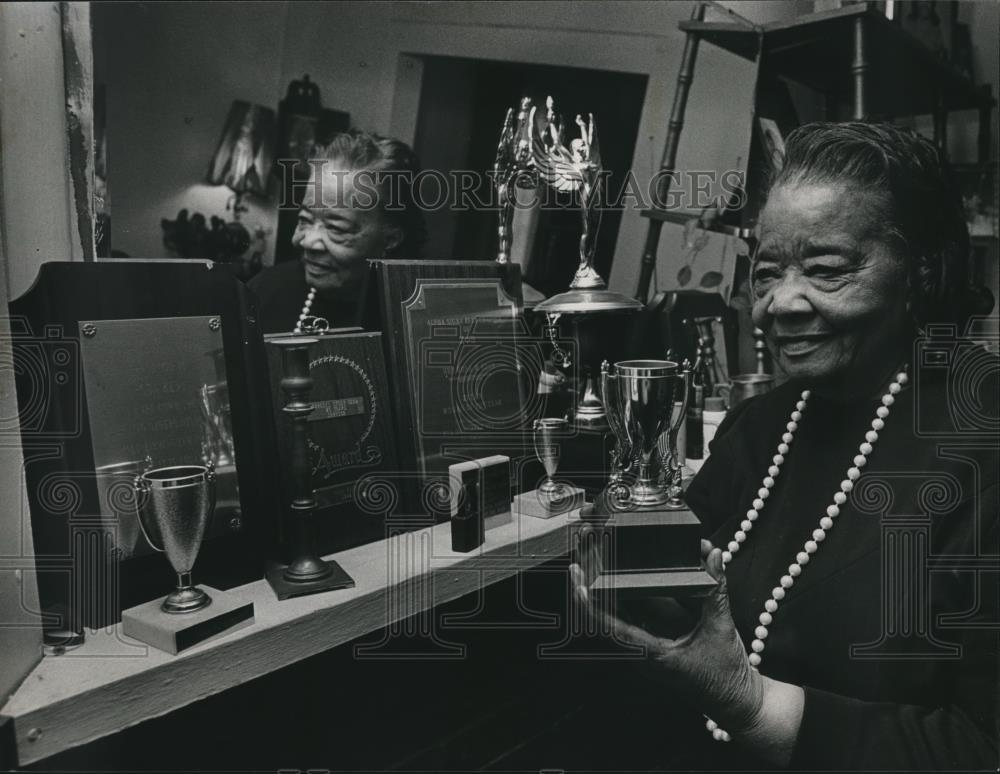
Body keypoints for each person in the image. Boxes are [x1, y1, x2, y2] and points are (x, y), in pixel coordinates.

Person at [571, 122, 998, 770]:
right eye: (766, 273)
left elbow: (982, 745)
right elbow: (680, 599)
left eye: (826, 270)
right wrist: (623, 572)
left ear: (924, 269)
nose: (781, 304)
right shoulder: (760, 427)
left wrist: (748, 701)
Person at [249, 128, 426, 334]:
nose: (307, 242)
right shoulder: (263, 292)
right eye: (305, 219)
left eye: (335, 228)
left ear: (391, 238)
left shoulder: (421, 319)